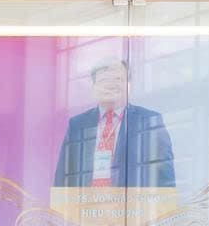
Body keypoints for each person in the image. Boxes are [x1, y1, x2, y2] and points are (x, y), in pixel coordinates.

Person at [53, 59, 173, 189]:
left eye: (117, 79)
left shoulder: (149, 120)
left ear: (129, 85)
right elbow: (62, 176)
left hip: (132, 201)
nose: (110, 85)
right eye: (104, 80)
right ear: (94, 87)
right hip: (84, 201)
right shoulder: (77, 124)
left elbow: (164, 177)